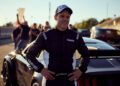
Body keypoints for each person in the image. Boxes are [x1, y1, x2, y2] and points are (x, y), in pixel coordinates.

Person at [26, 5, 90, 86]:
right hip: (50, 81)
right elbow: (29, 55)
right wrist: (41, 69)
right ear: (55, 17)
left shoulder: (76, 36)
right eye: (62, 16)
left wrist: (81, 70)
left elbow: (87, 55)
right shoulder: (45, 36)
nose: (65, 19)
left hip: (70, 81)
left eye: (68, 17)